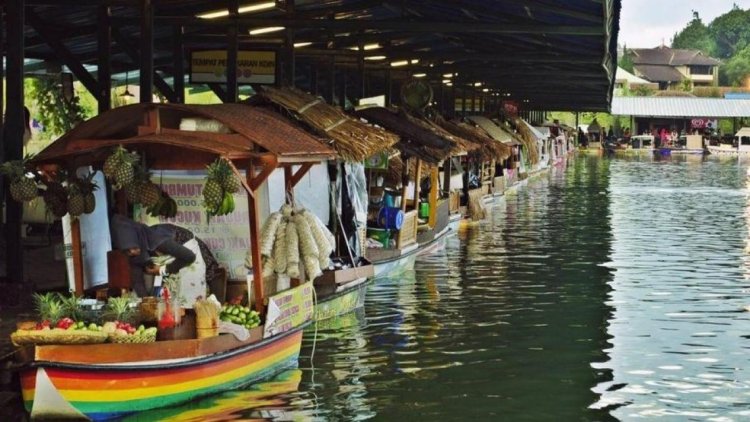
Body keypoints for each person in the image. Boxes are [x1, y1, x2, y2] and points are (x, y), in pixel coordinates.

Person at [110, 214, 196, 297]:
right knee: (163, 293)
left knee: (186, 292)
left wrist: (162, 270)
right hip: (171, 260)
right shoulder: (134, 255)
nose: (132, 252)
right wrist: (146, 300)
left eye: (134, 247)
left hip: (186, 249)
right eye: (127, 250)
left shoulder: (156, 240)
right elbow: (137, 281)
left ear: (137, 240)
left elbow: (189, 256)